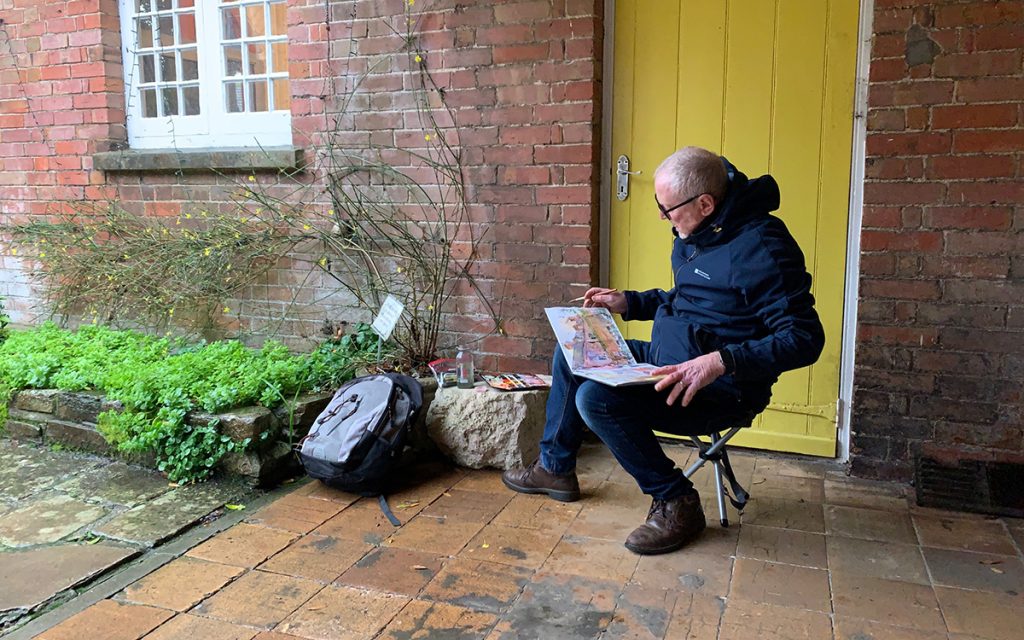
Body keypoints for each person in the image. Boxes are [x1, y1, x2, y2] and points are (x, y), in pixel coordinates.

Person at [502, 146, 825, 555]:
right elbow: (691, 298)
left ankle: (677, 501)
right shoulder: (699, 232)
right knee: (575, 347)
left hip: (720, 387)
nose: (662, 216)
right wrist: (630, 303)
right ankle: (555, 468)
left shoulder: (764, 248)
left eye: (666, 207)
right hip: (668, 357)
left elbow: (804, 337)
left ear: (705, 203)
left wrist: (720, 362)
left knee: (597, 399)